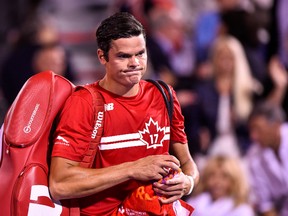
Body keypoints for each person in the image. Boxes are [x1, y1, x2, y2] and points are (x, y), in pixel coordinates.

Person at [48, 12, 199, 216]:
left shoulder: (164, 95)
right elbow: (60, 184)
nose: (135, 63)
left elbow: (188, 163)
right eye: (123, 56)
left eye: (140, 53)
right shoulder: (84, 102)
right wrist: (133, 169)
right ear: (102, 57)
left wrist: (187, 183)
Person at [246, 102, 288, 216]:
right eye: (251, 130)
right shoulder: (253, 155)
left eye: (258, 129)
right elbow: (266, 205)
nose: (253, 136)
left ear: (276, 125)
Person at [186, 155, 255, 216]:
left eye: (224, 177)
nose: (217, 182)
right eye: (212, 175)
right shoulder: (194, 203)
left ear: (234, 181)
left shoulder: (242, 210)